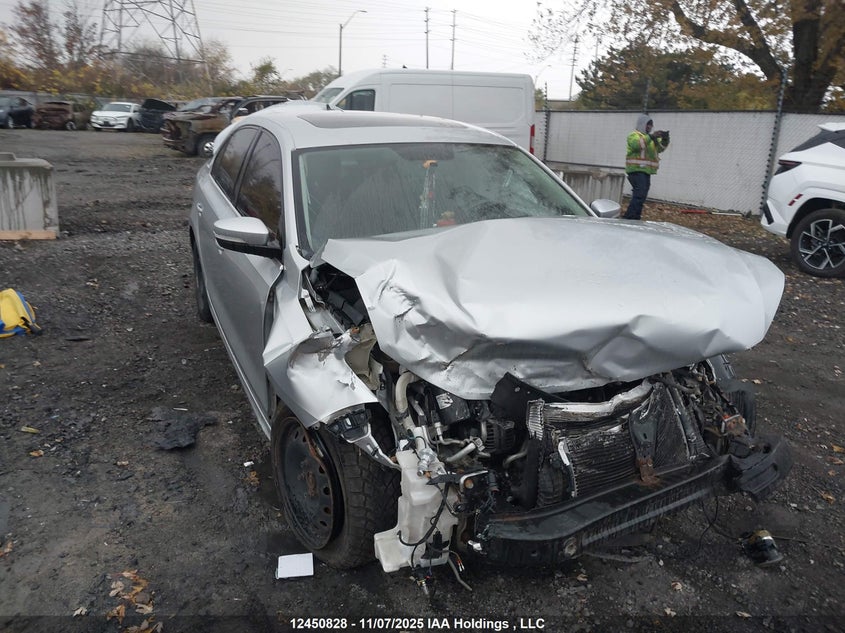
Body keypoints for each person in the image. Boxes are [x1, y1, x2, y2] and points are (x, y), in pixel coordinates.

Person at [624, 114, 669, 220]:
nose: (650, 127)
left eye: (651, 125)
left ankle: (634, 217)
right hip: (636, 170)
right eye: (648, 124)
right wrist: (652, 136)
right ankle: (630, 217)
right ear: (642, 124)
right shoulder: (634, 135)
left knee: (641, 195)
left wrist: (665, 139)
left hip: (645, 171)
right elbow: (637, 145)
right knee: (640, 194)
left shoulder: (650, 138)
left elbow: (660, 148)